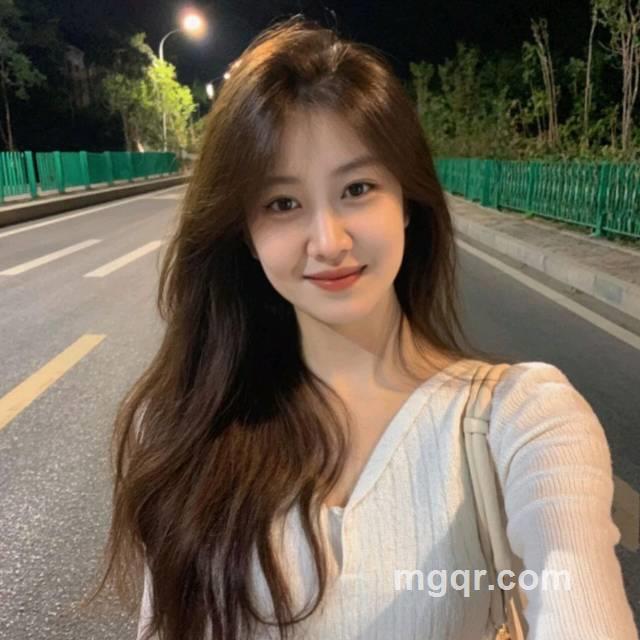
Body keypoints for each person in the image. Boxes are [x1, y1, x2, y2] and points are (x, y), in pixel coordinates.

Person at [87, 15, 639, 640]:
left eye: (357, 188)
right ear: (244, 231)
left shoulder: (521, 420)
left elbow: (575, 584)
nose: (328, 241)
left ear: (406, 201)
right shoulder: (187, 424)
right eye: (283, 203)